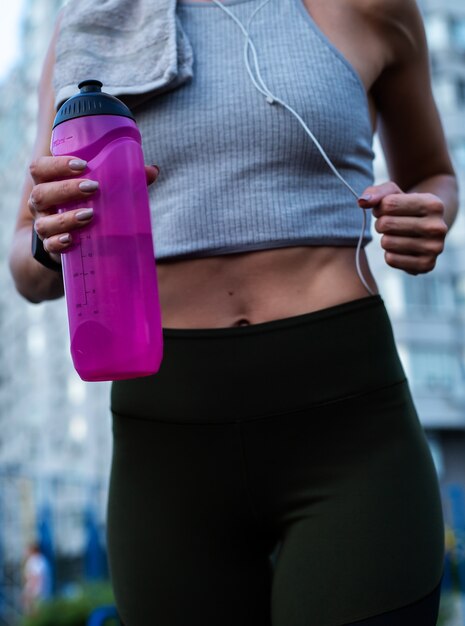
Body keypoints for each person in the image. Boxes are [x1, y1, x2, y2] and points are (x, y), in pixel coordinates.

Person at [9, 0, 459, 624]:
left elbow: (433, 173)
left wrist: (427, 215)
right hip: (165, 438)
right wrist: (50, 237)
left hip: (347, 426)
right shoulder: (89, 23)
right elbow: (27, 268)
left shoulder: (373, 6)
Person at [21, 542, 52, 616]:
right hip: (36, 591)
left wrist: (30, 592)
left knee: (36, 612)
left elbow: (36, 577)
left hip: (37, 591)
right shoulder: (35, 560)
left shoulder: (37, 561)